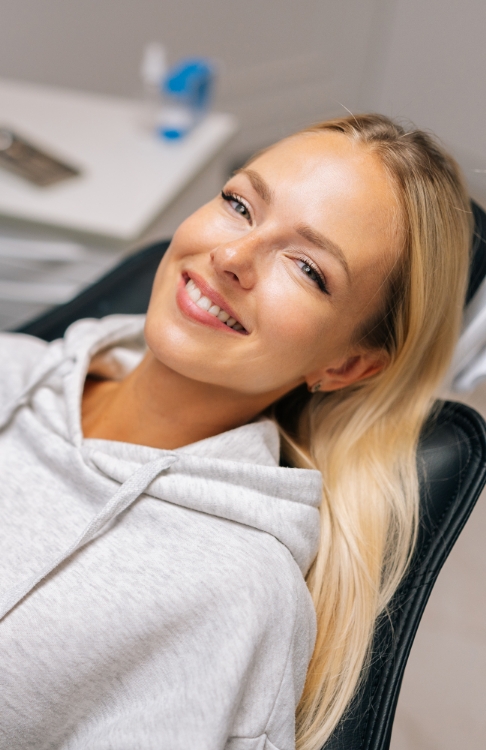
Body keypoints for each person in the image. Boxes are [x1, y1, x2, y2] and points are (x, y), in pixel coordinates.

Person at [0, 114, 471, 750]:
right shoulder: (19, 363)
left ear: (346, 365)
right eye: (239, 204)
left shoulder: (236, 594)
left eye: (307, 267)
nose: (230, 256)